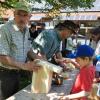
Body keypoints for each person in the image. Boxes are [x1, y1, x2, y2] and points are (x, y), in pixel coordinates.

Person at [0, 1, 40, 99]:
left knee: (15, 97)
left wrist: (39, 59)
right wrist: (25, 66)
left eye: (25, 15)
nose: (21, 18)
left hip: (17, 73)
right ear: (14, 14)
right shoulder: (5, 29)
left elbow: (28, 49)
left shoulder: (26, 30)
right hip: (4, 74)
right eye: (19, 14)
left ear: (30, 17)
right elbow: (2, 57)